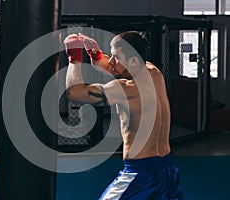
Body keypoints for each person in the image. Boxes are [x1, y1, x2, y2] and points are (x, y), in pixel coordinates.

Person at [64, 31, 184, 199]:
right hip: (168, 170)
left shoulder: (126, 89)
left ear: (133, 61)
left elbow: (75, 93)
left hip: (141, 175)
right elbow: (114, 66)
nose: (111, 62)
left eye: (115, 57)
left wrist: (74, 59)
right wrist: (96, 54)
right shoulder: (154, 72)